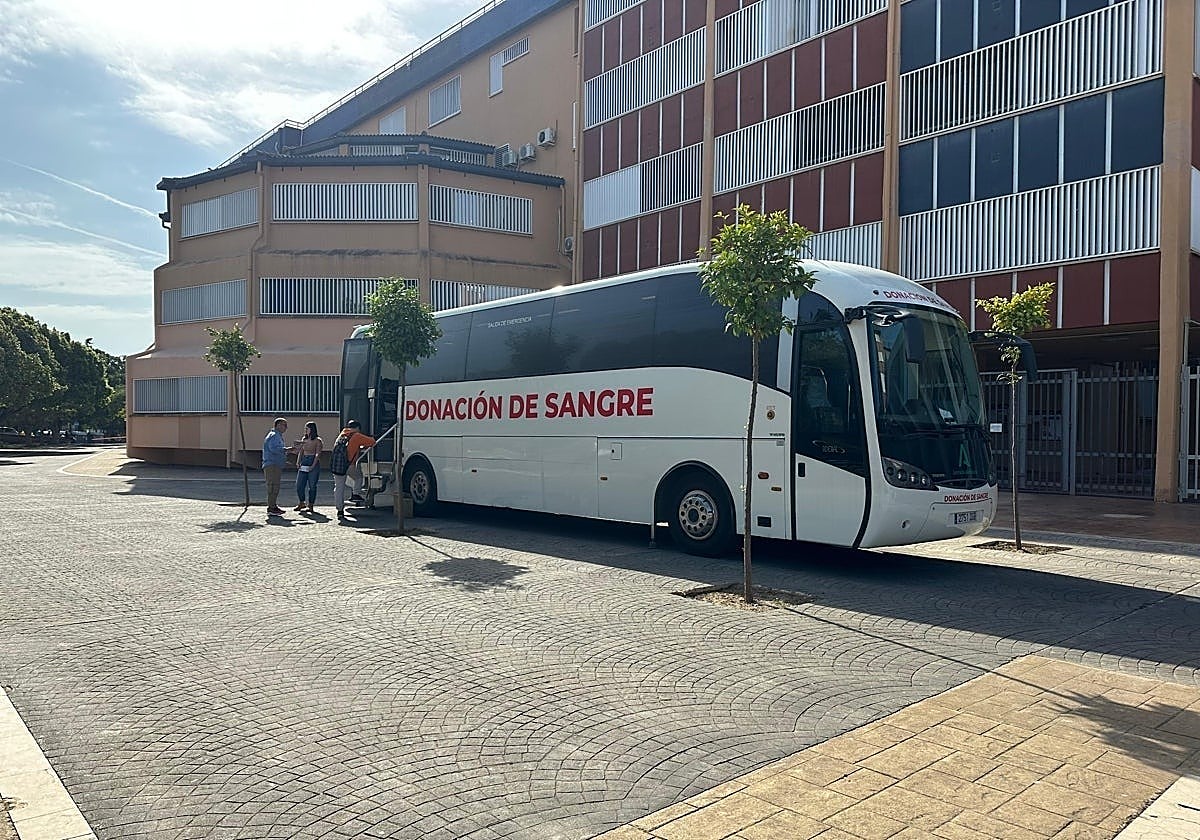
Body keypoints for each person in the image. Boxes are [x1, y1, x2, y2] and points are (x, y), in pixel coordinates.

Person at [332, 419, 376, 520]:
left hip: (337, 465)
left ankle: (339, 510)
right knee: (359, 477)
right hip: (349, 465)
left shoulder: (342, 435)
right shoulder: (356, 435)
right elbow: (372, 442)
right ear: (357, 428)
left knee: (339, 488)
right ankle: (356, 494)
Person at [262, 417, 291, 516]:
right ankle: (271, 508)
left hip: (275, 464)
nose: (286, 428)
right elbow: (274, 449)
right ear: (278, 425)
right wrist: (287, 449)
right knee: (273, 486)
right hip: (272, 465)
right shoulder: (274, 436)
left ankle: (273, 506)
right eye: (284, 425)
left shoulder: (276, 435)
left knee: (275, 486)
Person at [292, 422, 324, 513]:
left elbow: (317, 454)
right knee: (299, 484)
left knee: (312, 485)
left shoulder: (317, 440)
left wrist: (313, 465)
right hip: (304, 461)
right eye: (305, 429)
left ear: (312, 429)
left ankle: (311, 504)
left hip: (313, 460)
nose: (305, 430)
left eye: (307, 429)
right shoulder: (304, 439)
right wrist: (298, 461)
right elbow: (301, 451)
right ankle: (301, 502)